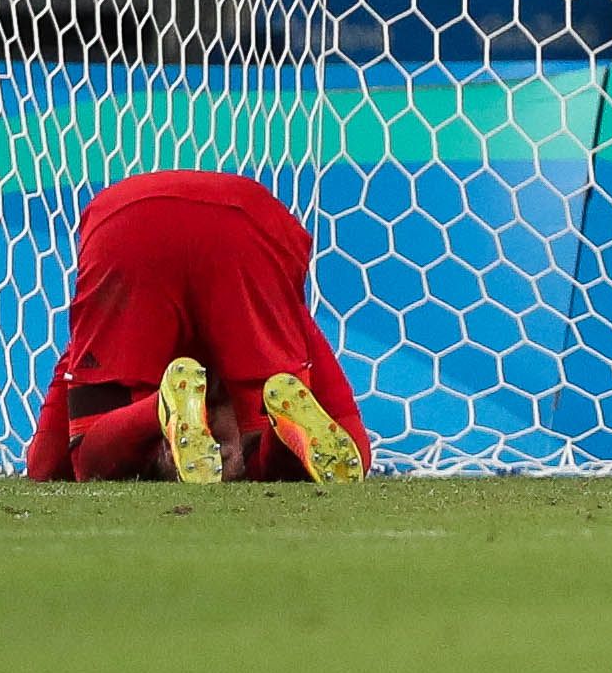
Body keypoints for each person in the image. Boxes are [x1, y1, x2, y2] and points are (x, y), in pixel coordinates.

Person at [19, 169, 371, 483]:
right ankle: (280, 436)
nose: (212, 445)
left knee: (86, 453)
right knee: (257, 453)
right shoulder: (288, 330)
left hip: (128, 223)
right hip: (247, 223)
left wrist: (148, 458)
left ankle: (157, 409)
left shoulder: (98, 341)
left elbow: (45, 466)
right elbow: (354, 448)